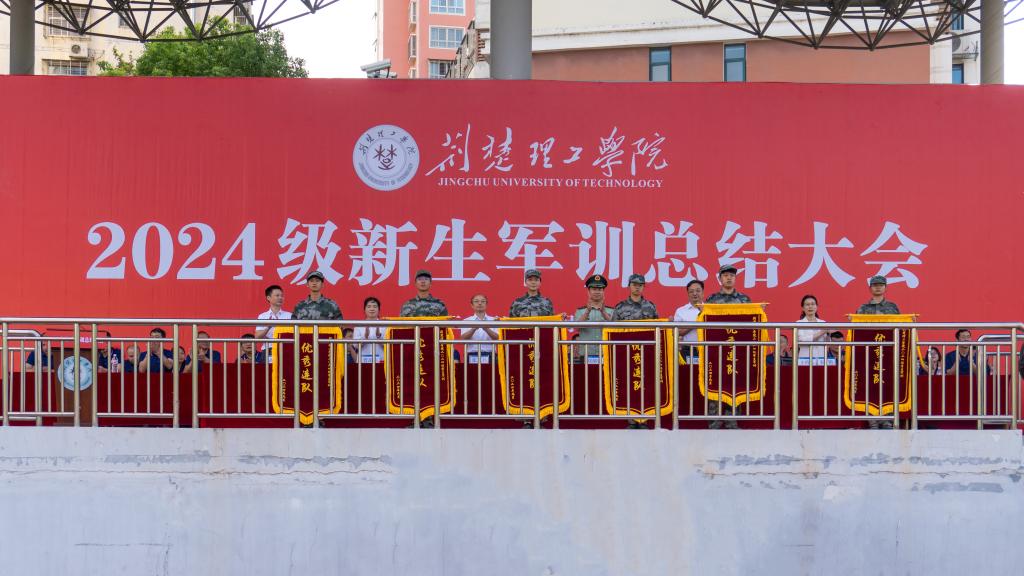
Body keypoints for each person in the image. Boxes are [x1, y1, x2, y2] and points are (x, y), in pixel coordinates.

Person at [572, 275, 614, 363]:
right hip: (586, 355)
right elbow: (576, 327)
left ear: (603, 291)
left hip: (606, 353)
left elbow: (615, 328)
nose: (597, 292)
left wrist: (603, 312)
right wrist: (587, 311)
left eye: (600, 289)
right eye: (594, 289)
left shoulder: (611, 311)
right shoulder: (580, 311)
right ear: (588, 291)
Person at [255, 284, 292, 359]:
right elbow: (257, 337)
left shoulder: (290, 315)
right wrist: (268, 327)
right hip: (268, 350)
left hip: (286, 349)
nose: (280, 298)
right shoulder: (263, 316)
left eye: (282, 296)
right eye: (277, 295)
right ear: (268, 298)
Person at [460, 294, 499, 364]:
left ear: (486, 304)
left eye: (483, 301)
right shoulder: (466, 320)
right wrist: (473, 329)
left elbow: (498, 338)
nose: (480, 303)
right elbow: (463, 340)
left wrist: (486, 329)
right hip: (472, 355)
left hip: (491, 354)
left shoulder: (494, 320)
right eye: (476, 301)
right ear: (472, 305)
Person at [672, 279, 704, 361]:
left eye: (698, 291)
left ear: (703, 292)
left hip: (707, 348)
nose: (695, 294)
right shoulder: (681, 311)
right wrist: (695, 324)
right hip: (688, 350)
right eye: (691, 291)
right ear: (688, 294)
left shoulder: (709, 310)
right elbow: (676, 332)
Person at [350, 296, 385, 364]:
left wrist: (379, 336)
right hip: (363, 362)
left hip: (381, 361)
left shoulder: (385, 325)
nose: (372, 309)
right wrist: (365, 337)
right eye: (369, 307)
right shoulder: (359, 326)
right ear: (364, 309)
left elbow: (389, 346)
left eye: (375, 306)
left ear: (379, 309)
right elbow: (356, 346)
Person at [796, 294, 828, 361]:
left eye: (813, 304)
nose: (810, 306)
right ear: (803, 308)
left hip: (821, 358)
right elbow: (802, 340)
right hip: (805, 359)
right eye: (807, 304)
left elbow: (827, 342)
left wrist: (829, 333)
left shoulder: (823, 323)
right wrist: (822, 332)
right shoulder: (798, 323)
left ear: (816, 307)